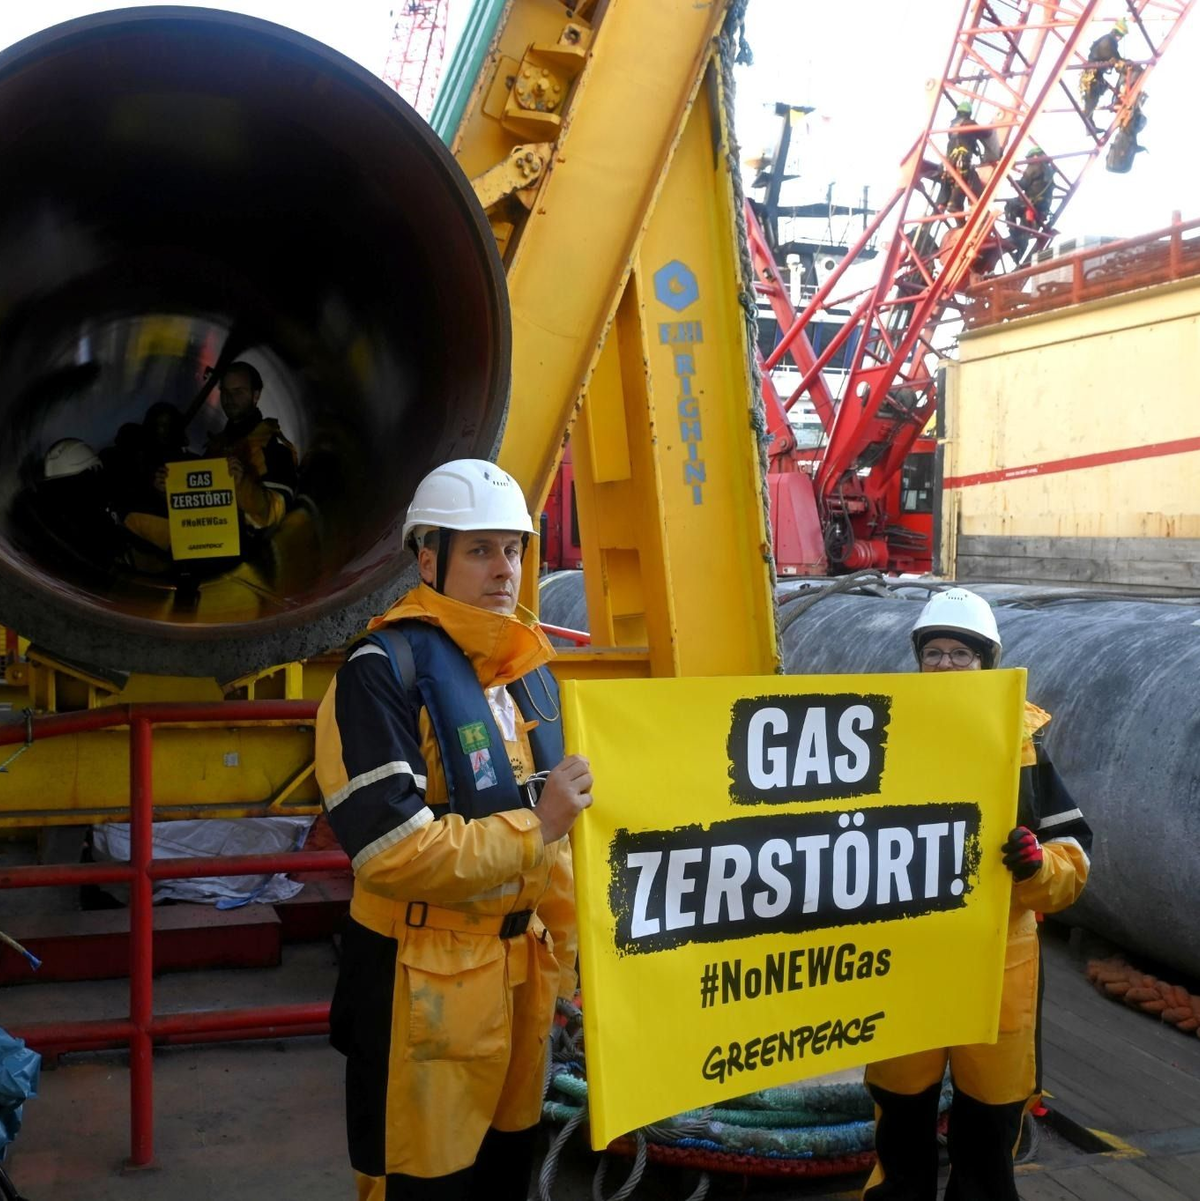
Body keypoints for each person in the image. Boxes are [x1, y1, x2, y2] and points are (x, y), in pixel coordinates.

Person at [316, 458, 591, 1201]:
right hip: (417, 997)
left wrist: (565, 969)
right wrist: (534, 828)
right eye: (479, 550)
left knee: (506, 1180)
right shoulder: (378, 673)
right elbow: (392, 851)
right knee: (418, 1187)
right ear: (427, 557)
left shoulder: (528, 671)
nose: (503, 569)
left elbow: (558, 852)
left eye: (513, 549)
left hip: (519, 990)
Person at [862, 588, 1093, 1201]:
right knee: (900, 1112)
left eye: (960, 654)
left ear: (987, 662)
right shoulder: (878, 740)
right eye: (932, 653)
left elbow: (1075, 857)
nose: (944, 666)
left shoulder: (1025, 755)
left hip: (999, 965)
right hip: (905, 958)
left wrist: (1035, 868)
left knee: (990, 1125)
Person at [201, 361, 297, 538]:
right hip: (207, 545)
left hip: (249, 556)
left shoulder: (275, 449)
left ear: (255, 395)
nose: (229, 399)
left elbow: (275, 516)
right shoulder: (216, 446)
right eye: (225, 392)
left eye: (238, 391)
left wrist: (243, 485)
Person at [1003, 147, 1054, 263]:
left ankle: (1013, 232)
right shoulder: (1049, 169)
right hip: (1043, 206)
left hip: (1031, 202)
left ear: (1035, 156)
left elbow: (1024, 184)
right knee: (1026, 229)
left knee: (1010, 206)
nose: (1028, 161)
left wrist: (1011, 180)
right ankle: (1019, 254)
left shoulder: (1034, 166)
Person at [1081, 18, 1128, 119]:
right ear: (1115, 32)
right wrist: (1119, 62)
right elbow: (1112, 57)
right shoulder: (1108, 41)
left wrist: (1122, 61)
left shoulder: (1110, 41)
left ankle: (1089, 125)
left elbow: (1116, 57)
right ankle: (1088, 122)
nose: (1120, 38)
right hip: (1093, 74)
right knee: (1092, 100)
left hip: (1096, 74)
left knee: (1094, 98)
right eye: (1120, 35)